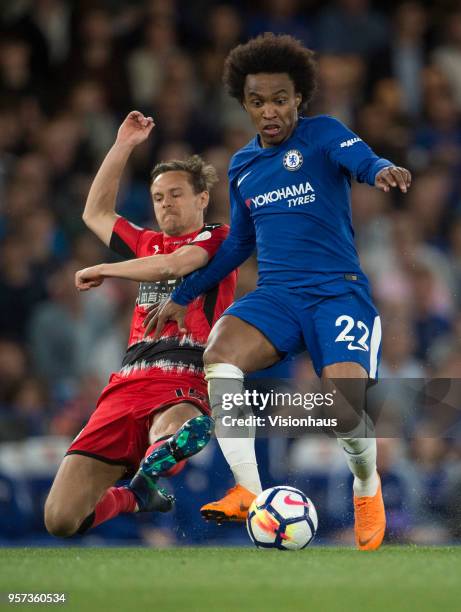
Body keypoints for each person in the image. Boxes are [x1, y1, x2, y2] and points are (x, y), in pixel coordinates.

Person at [145, 34, 412, 551]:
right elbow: (240, 243)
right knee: (220, 352)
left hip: (337, 294)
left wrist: (381, 170)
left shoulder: (323, 134)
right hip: (280, 296)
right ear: (244, 104)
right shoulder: (244, 166)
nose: (270, 111)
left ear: (299, 100)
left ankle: (367, 485)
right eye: (258, 101)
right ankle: (247, 489)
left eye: (281, 100)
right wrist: (186, 291)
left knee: (343, 412)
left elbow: (360, 159)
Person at [44, 111, 236, 538]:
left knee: (183, 428)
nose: (165, 202)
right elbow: (95, 213)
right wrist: (123, 145)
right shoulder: (146, 243)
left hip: (183, 375)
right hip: (125, 383)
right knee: (59, 519)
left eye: (175, 194)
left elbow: (172, 265)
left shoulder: (219, 238)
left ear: (202, 198)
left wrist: (107, 270)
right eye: (157, 196)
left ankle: (163, 454)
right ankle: (138, 494)